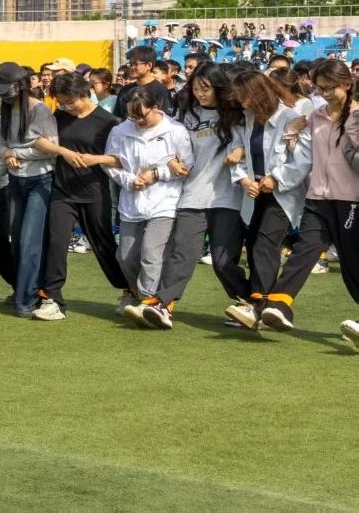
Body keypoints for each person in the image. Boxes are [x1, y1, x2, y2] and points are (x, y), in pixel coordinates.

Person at [129, 62, 244, 330]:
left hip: (227, 197)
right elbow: (172, 148)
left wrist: (241, 151)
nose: (200, 93)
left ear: (219, 87)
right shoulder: (188, 115)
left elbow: (253, 141)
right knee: (182, 253)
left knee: (222, 261)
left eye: (206, 88)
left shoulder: (237, 115)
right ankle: (163, 306)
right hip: (192, 195)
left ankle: (250, 301)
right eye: (196, 88)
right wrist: (170, 161)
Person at [251, 60, 356, 332]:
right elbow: (305, 154)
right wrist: (292, 132)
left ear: (347, 84)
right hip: (317, 197)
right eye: (320, 89)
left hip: (351, 200)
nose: (325, 94)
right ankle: (278, 304)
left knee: (352, 262)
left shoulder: (356, 116)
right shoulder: (316, 116)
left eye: (330, 88)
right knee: (304, 250)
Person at [223, 71, 313, 330]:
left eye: (246, 97)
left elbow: (303, 159)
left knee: (265, 243)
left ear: (260, 93)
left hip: (283, 192)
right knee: (253, 243)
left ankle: (259, 305)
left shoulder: (289, 117)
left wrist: (276, 178)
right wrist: (244, 180)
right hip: (256, 192)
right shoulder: (247, 120)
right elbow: (236, 152)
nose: (243, 103)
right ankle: (263, 306)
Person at [36, 73, 124, 321]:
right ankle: (52, 298)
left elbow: (121, 159)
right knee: (56, 243)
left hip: (94, 192)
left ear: (84, 93)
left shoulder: (109, 122)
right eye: (62, 103)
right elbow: (39, 141)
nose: (67, 107)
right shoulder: (60, 116)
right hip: (62, 191)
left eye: (70, 102)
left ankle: (129, 289)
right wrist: (63, 152)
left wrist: (95, 159)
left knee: (104, 244)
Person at [105, 86, 194, 316]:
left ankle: (149, 302)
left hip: (165, 200)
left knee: (151, 253)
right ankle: (135, 292)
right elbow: (111, 163)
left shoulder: (175, 130)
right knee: (125, 256)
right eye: (132, 117)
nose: (138, 122)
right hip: (132, 200)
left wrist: (157, 174)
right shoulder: (120, 131)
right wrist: (127, 180)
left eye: (142, 116)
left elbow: (187, 164)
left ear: (155, 108)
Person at [0, 62, 59, 318]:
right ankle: (23, 292)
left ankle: (27, 299)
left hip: (40, 181)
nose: (4, 96)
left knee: (30, 241)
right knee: (18, 241)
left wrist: (16, 153)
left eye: (7, 91)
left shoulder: (40, 110)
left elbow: (51, 149)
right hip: (15, 181)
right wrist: (6, 154)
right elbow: (2, 142)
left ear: (20, 86)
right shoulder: (5, 109)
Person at [113, 45, 171, 121]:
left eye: (135, 64)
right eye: (130, 64)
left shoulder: (161, 91)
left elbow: (163, 119)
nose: (132, 67)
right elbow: (118, 117)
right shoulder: (125, 90)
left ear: (149, 65)